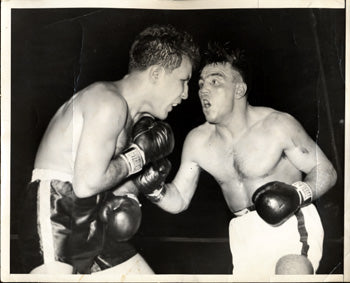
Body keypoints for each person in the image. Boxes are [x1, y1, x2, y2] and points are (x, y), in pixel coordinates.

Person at [134, 42, 337, 280]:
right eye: (201, 84)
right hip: (243, 236)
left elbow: (325, 170)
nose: (203, 90)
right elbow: (178, 198)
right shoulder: (198, 141)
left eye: (215, 82)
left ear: (239, 90)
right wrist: (154, 189)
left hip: (289, 225)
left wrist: (298, 193)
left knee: (290, 272)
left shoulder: (277, 125)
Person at [18, 24, 199, 275]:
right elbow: (86, 183)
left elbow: (111, 179)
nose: (186, 94)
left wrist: (140, 186)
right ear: (157, 74)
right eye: (183, 81)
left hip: (94, 213)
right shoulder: (108, 102)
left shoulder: (134, 120)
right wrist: (138, 157)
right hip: (57, 209)